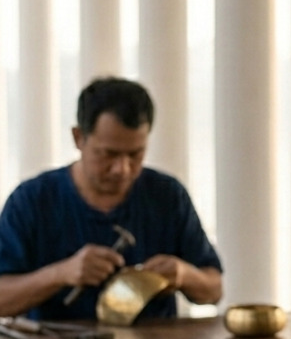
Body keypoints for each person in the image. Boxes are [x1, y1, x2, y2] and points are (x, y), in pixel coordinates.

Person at [0, 77, 223, 321]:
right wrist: (60, 274)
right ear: (78, 138)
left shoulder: (167, 196)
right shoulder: (33, 201)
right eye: (109, 154)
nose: (122, 169)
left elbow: (214, 290)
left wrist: (183, 275)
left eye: (136, 154)